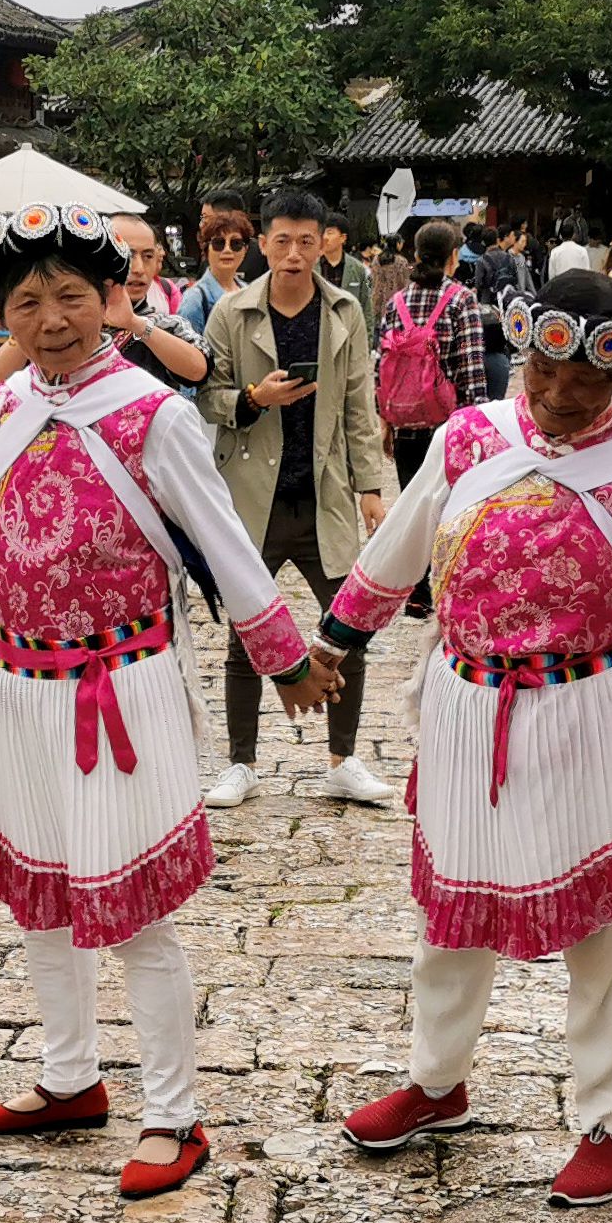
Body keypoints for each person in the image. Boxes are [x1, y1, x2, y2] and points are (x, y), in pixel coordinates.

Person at [326, 272, 612, 1207]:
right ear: (524, 348)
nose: (563, 392)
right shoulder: (467, 439)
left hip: (587, 709)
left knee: (598, 928)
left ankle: (609, 1124)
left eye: (589, 378)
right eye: (547, 365)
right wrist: (334, 637)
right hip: (463, 700)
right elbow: (401, 546)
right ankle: (435, 1080)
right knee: (448, 908)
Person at [0, 202, 341, 1198]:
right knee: (42, 901)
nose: (52, 318)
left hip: (123, 685)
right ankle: (68, 1077)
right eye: (27, 302)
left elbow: (218, 541)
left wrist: (282, 654)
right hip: (19, 687)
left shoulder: (148, 414)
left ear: (111, 301)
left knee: (134, 911)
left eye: (72, 296)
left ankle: (174, 1113)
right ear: (3, 315)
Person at [201, 187, 394, 808]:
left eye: (305, 241)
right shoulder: (233, 313)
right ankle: (241, 763)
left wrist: (370, 486)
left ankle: (343, 759)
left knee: (349, 627)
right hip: (251, 496)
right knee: (243, 634)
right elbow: (207, 395)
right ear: (263, 244)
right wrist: (255, 399)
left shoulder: (345, 312)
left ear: (324, 244)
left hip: (323, 493)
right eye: (280, 240)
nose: (292, 253)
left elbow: (361, 405)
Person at [381, 220, 485, 622]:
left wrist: (387, 422)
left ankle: (419, 592)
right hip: (449, 426)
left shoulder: (397, 303)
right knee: (454, 508)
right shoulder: (461, 300)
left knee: (418, 505)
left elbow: (383, 368)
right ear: (454, 256)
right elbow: (472, 371)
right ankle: (451, 588)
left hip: (407, 423)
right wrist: (478, 425)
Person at [106, 213, 213, 395]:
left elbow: (199, 370)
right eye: (126, 255)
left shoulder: (165, 325)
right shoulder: (74, 322)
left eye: (147, 256)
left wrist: (136, 324)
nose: (138, 268)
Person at [178, 207, 255, 338]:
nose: (227, 250)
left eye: (236, 243)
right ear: (206, 248)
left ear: (245, 249)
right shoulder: (195, 300)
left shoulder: (250, 292)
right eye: (219, 243)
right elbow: (185, 353)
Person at [318, 211, 372, 307]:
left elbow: (366, 305)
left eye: (329, 233)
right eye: (322, 232)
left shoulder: (359, 269)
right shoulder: (310, 268)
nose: (325, 237)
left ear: (343, 238)